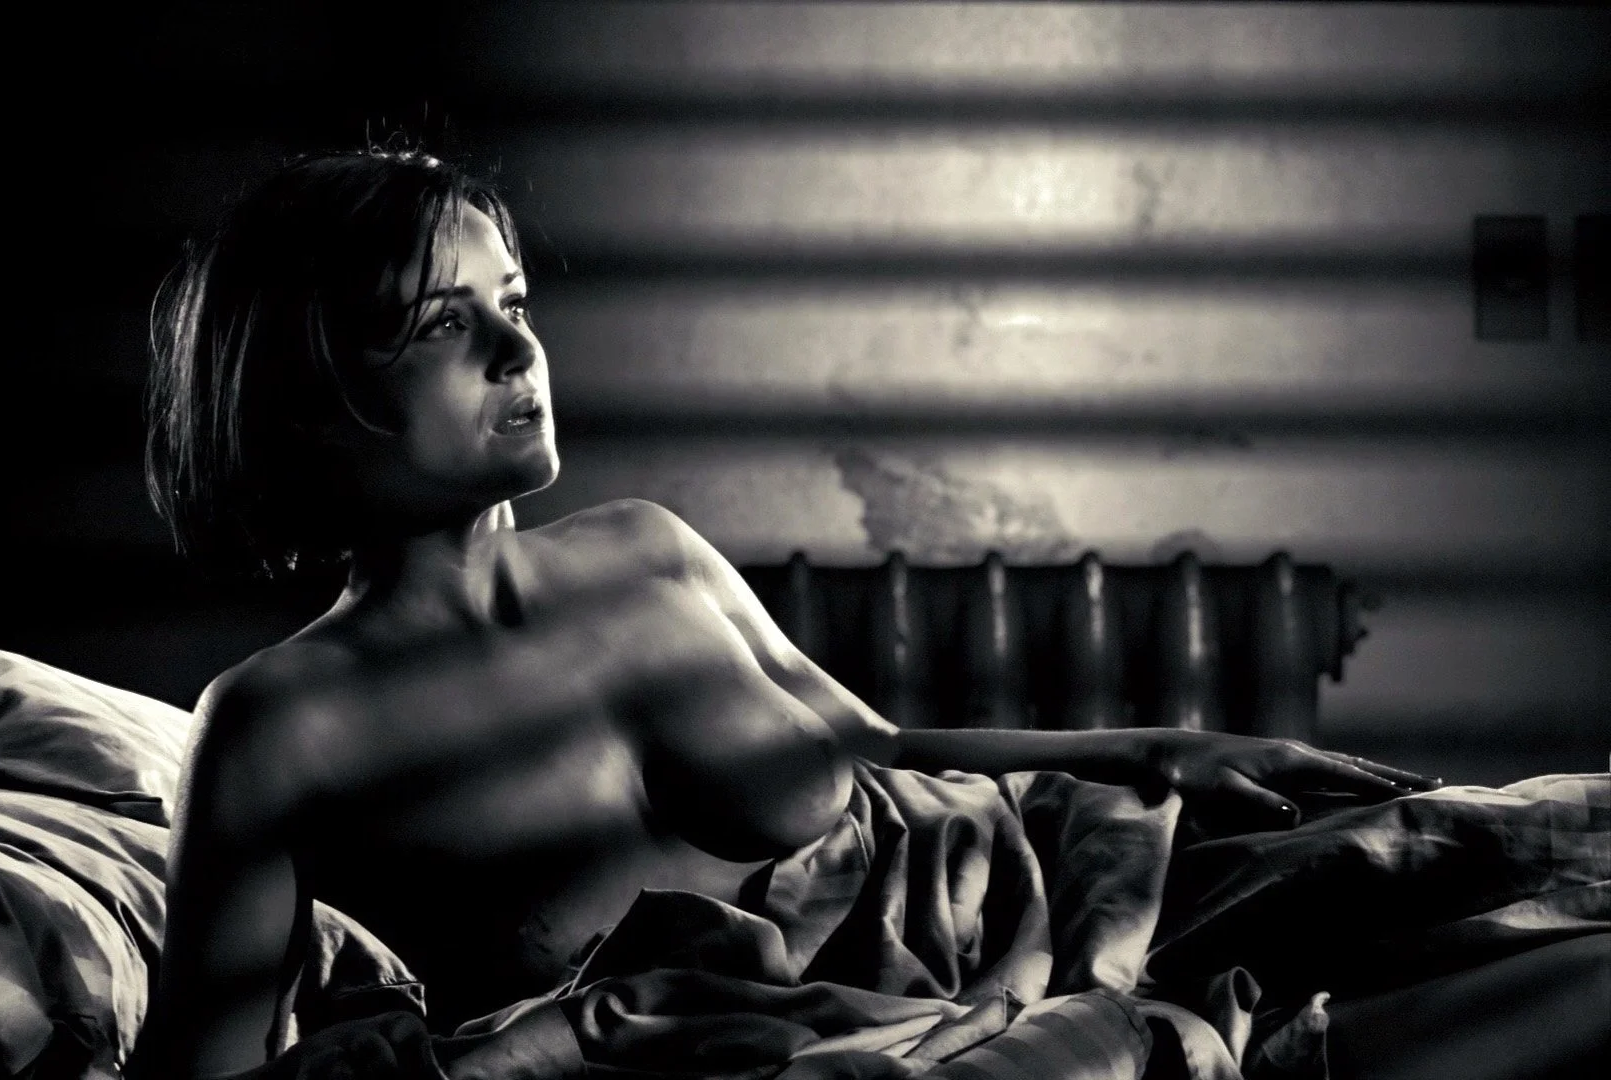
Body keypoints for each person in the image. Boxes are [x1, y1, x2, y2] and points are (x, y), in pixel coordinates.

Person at [125, 149, 1440, 1080]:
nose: (517, 352)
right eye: (439, 325)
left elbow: (883, 749)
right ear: (308, 397)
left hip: (1018, 886)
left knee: (1465, 868)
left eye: (514, 305)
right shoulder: (278, 725)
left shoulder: (646, 549)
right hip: (830, 1041)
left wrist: (1158, 748)